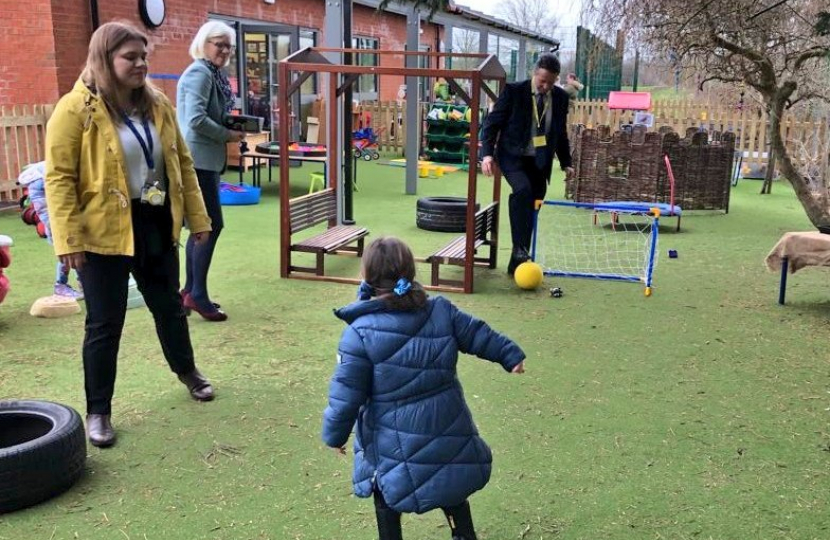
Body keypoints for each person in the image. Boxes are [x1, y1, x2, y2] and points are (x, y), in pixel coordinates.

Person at [45, 21, 216, 448]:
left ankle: (187, 371)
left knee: (170, 308)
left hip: (155, 221)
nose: (141, 64)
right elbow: (59, 178)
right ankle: (98, 411)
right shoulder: (74, 109)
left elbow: (182, 163)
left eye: (144, 57)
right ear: (105, 59)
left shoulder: (156, 104)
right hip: (101, 233)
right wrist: (68, 240)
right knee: (104, 323)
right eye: (130, 58)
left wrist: (198, 219)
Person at [322, 237, 526, 540]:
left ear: (366, 276)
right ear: (410, 273)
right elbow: (478, 333)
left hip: (391, 436)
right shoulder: (440, 311)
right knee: (450, 480)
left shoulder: (359, 333)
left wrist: (335, 435)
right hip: (446, 420)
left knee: (386, 488)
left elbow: (346, 393)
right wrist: (509, 354)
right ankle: (463, 534)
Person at [480, 54, 575, 275]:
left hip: (540, 161)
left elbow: (560, 133)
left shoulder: (560, 98)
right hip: (512, 156)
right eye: (542, 80)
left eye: (551, 82)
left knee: (534, 205)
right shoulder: (514, 91)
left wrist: (566, 162)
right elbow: (491, 124)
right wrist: (486, 155)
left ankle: (518, 258)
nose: (545, 86)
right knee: (522, 191)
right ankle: (521, 249)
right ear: (535, 73)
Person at [176, 20, 245, 322]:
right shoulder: (199, 73)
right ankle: (197, 295)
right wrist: (226, 135)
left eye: (228, 45)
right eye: (219, 43)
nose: (225, 50)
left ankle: (189, 290)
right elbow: (194, 120)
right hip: (197, 161)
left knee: (202, 227)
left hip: (205, 160)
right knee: (210, 226)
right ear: (203, 43)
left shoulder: (213, 74)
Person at [18, 162, 84, 299]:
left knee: (77, 253)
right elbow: (45, 210)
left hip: (60, 222)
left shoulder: (41, 179)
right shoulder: (39, 184)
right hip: (57, 224)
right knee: (67, 255)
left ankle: (82, 285)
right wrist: (55, 228)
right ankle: (61, 285)